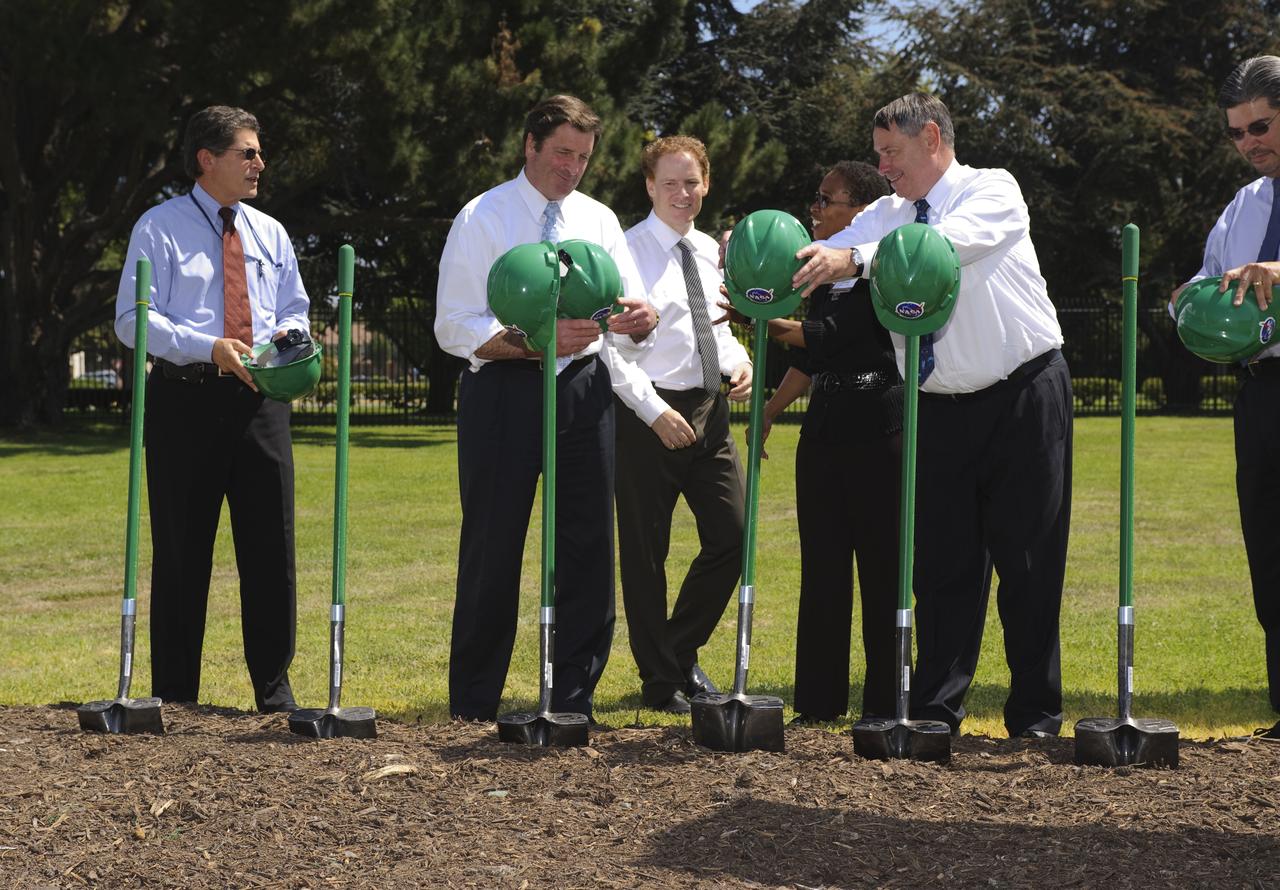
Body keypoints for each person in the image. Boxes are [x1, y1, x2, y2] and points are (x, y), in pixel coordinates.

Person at [792, 92, 1073, 738]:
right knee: (944, 566)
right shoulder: (885, 214)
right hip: (939, 407)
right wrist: (774, 256)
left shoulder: (991, 191)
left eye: (891, 152)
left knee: (1028, 562)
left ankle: (1035, 718)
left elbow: (937, 249)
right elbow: (830, 250)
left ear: (932, 139)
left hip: (1023, 393)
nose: (883, 166)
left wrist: (855, 257)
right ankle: (935, 714)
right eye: (878, 155)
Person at [435, 94, 657, 722]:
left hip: (584, 393)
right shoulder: (482, 216)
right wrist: (530, 341)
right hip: (503, 392)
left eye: (583, 157)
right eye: (562, 152)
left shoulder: (601, 220)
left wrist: (639, 317)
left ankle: (573, 701)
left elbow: (619, 306)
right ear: (529, 146)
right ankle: (475, 703)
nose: (572, 168)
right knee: (492, 545)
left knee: (588, 549)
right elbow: (453, 324)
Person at [114, 105, 309, 713]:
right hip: (186, 403)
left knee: (271, 548)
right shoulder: (159, 227)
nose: (259, 163)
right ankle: (174, 696)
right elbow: (132, 319)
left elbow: (294, 306)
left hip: (261, 405)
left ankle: (275, 693)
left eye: (258, 152)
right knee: (182, 549)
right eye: (246, 152)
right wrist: (209, 348)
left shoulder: (270, 232)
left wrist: (295, 337)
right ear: (207, 158)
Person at [747, 161, 900, 723]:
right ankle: (817, 704)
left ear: (860, 212)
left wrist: (757, 313)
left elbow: (829, 336)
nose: (813, 209)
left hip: (879, 433)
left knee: (883, 572)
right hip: (826, 433)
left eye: (824, 199)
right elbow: (812, 359)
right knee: (823, 571)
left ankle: (886, 705)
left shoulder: (885, 273)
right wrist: (768, 410)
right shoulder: (821, 277)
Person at [608, 136, 752, 714]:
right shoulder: (623, 250)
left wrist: (740, 363)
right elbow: (609, 347)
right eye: (669, 182)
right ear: (648, 186)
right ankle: (660, 681)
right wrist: (654, 412)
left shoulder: (713, 253)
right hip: (647, 413)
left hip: (709, 411)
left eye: (691, 182)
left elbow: (715, 329)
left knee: (733, 536)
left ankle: (677, 649)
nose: (681, 193)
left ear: (707, 183)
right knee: (647, 553)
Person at [1172, 55, 1280, 730]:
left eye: (1261, 126)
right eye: (1237, 133)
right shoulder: (1245, 204)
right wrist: (1189, 296)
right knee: (1269, 549)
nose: (1249, 144)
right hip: (1261, 394)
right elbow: (1216, 276)